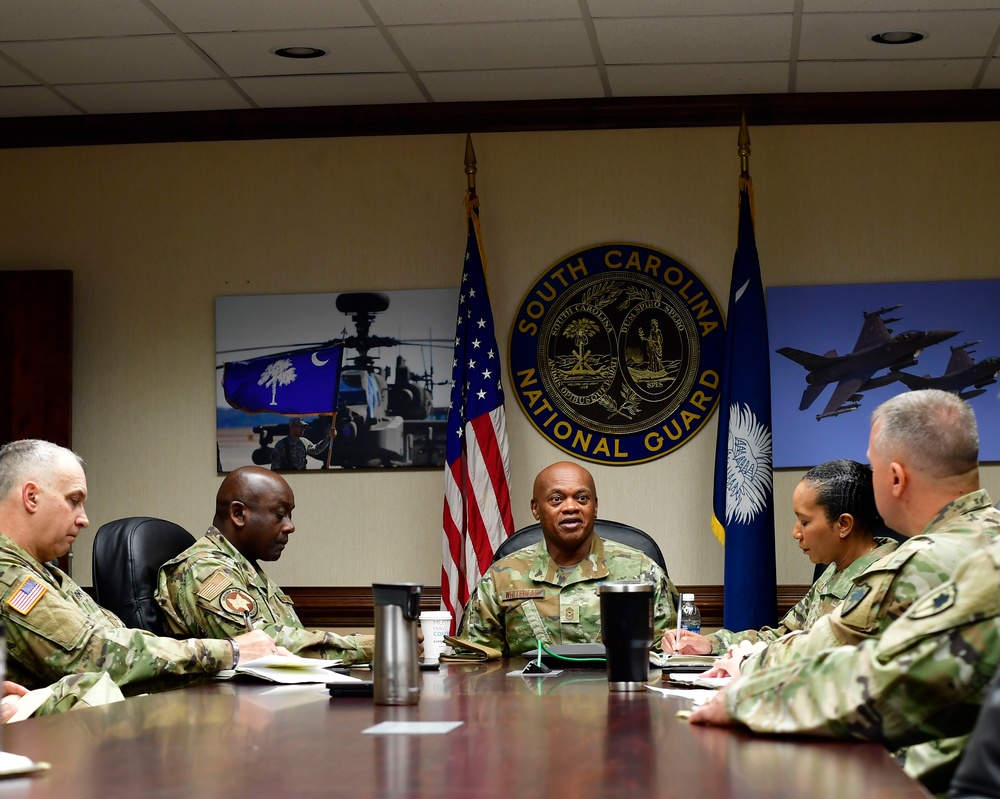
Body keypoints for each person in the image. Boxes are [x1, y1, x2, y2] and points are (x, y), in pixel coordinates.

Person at [690, 389, 1000, 793]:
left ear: (894, 477)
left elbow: (877, 678)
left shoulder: (921, 561)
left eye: (871, 470)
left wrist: (744, 694)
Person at [0, 439, 282, 692]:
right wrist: (230, 651)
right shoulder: (8, 576)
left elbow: (115, 640)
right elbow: (95, 654)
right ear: (31, 497)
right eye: (74, 501)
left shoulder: (46, 571)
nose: (84, 519)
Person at [663, 459, 897, 655]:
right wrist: (711, 644)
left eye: (805, 522)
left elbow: (829, 657)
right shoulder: (835, 570)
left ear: (843, 524)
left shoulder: (885, 577)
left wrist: (747, 665)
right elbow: (783, 635)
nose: (796, 532)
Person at [456, 461, 678, 657]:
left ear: (595, 506)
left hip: (616, 698)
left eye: (582, 498)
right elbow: (475, 660)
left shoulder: (642, 571)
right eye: (556, 499)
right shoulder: (501, 577)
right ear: (536, 509)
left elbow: (667, 656)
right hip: (528, 698)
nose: (571, 507)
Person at [156, 466, 373, 664]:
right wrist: (372, 647)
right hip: (225, 703)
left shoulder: (243, 566)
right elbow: (265, 648)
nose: (290, 526)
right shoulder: (205, 569)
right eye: (280, 515)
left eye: (290, 515)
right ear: (239, 514)